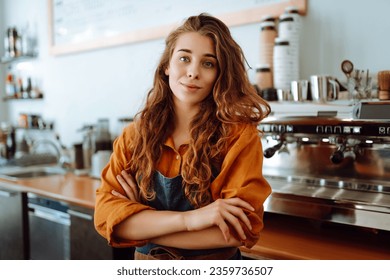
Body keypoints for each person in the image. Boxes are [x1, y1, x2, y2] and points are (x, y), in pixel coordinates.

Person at [94, 13, 272, 260]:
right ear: (167, 65)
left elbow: (237, 231)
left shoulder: (238, 136)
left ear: (220, 74)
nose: (193, 72)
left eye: (208, 63)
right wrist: (191, 220)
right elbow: (105, 216)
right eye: (184, 58)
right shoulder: (135, 137)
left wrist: (141, 222)